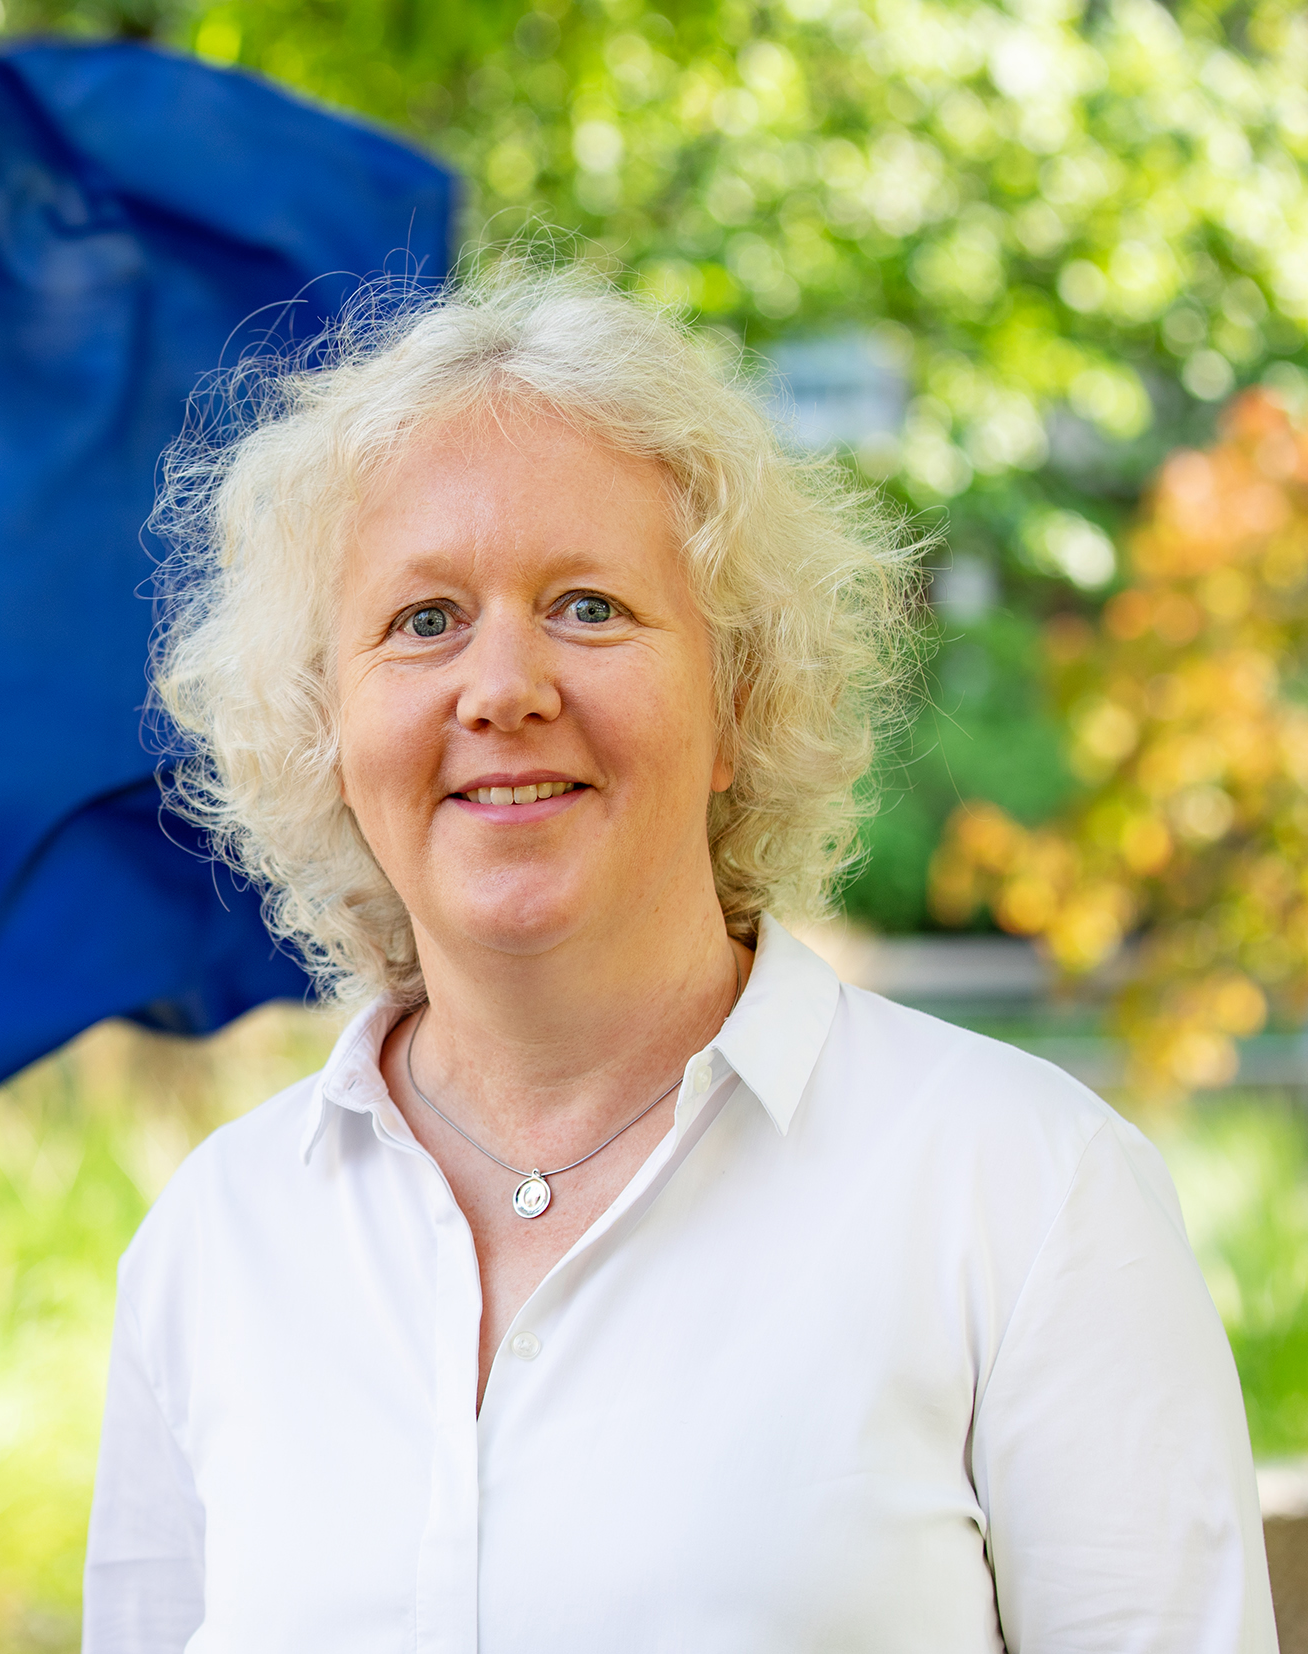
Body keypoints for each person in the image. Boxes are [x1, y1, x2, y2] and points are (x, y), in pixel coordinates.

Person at [82, 265, 1274, 1652]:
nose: (504, 685)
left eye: (589, 605)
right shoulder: (214, 1244)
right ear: (323, 729)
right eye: (424, 621)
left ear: (738, 703)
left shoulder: (1027, 1196)